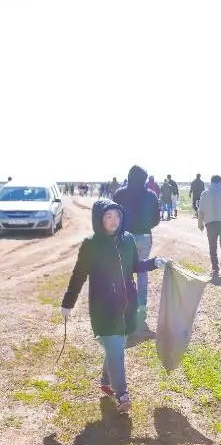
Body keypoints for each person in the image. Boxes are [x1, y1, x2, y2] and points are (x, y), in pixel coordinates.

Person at [60, 199, 167, 414]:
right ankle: (122, 394)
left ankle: (105, 381)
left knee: (117, 349)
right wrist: (68, 303)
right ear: (99, 219)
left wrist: (154, 263)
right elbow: (78, 275)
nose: (113, 221)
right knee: (116, 349)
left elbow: (135, 265)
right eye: (108, 216)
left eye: (117, 216)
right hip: (104, 309)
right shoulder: (91, 244)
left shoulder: (127, 239)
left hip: (127, 306)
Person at [112, 165, 161, 321]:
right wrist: (145, 226)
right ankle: (141, 306)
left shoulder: (119, 194)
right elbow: (156, 219)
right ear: (145, 179)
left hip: (124, 236)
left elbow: (113, 216)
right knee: (142, 271)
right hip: (145, 235)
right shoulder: (151, 196)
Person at [197, 175, 221, 276]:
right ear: (220, 182)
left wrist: (200, 223)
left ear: (211, 182)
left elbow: (201, 210)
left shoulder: (205, 193)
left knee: (212, 246)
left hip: (210, 223)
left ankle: (215, 269)